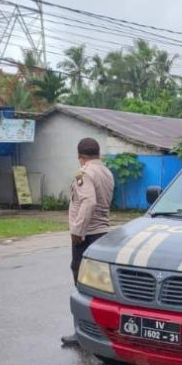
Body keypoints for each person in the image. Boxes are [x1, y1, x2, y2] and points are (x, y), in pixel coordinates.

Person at [61, 137, 115, 347]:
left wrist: (77, 230)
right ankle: (102, 330)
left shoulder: (83, 173)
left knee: (82, 283)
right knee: (100, 285)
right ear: (98, 154)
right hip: (103, 232)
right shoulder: (106, 172)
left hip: (87, 235)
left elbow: (88, 201)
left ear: (80, 157)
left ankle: (83, 331)